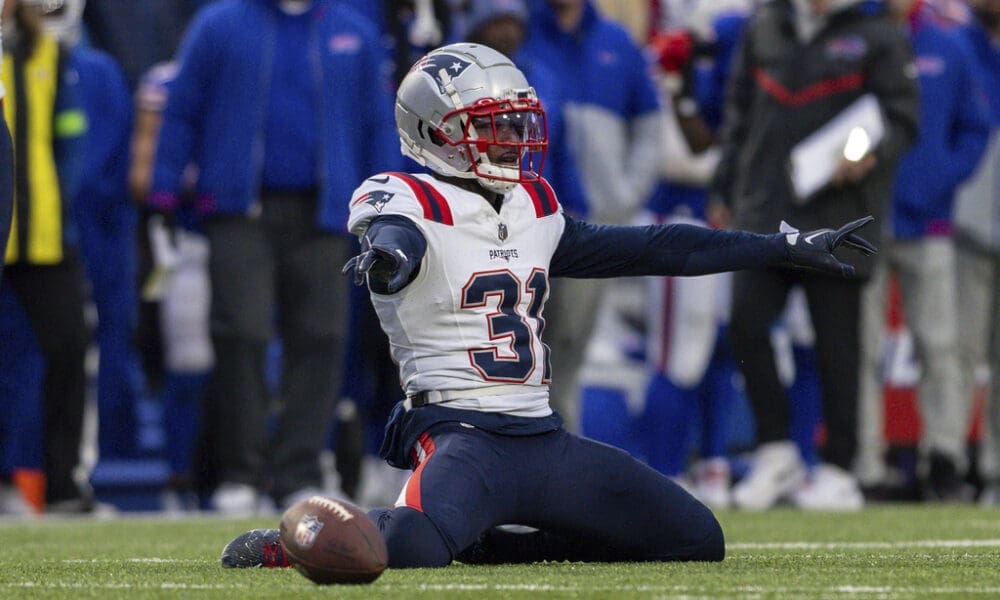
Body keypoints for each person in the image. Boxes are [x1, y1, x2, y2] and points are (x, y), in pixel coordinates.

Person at [221, 43, 876, 569]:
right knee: (413, 549)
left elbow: (652, 246)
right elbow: (397, 238)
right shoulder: (402, 196)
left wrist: (778, 246)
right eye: (489, 126)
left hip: (542, 436)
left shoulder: (533, 204)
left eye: (513, 123)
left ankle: (495, 548)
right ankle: (294, 542)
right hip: (462, 437)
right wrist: (390, 257)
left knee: (694, 538)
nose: (509, 138)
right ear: (433, 133)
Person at [149, 0, 399, 514]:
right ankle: (241, 472)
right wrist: (163, 194)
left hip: (329, 211)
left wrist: (389, 207)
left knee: (323, 338)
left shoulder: (353, 30)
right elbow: (182, 110)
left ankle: (298, 472)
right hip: (239, 207)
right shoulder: (219, 24)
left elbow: (377, 123)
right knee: (240, 333)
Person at [709, 0, 919, 511]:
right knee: (746, 323)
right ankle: (776, 451)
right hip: (765, 208)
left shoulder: (877, 34)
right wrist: (724, 188)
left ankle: (838, 468)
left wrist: (872, 149)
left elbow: (903, 116)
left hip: (839, 212)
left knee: (837, 346)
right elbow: (739, 112)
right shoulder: (766, 27)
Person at [856, 0, 991, 502]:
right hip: (863, 218)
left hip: (928, 221)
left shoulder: (947, 44)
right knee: (863, 349)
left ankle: (945, 460)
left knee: (940, 346)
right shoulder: (856, 40)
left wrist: (941, 180)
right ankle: (866, 465)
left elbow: (976, 124)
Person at [519, 0, 666, 430]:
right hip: (522, 222)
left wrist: (623, 197)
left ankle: (560, 462)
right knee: (520, 350)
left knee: (568, 349)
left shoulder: (616, 42)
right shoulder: (518, 32)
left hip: (591, 224)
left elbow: (650, 125)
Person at [0, 0, 91, 513]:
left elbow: (72, 139)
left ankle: (62, 484)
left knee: (69, 347)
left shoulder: (49, 51)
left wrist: (60, 202)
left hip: (42, 232)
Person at [951, 0, 1000, 505]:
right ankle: (949, 464)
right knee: (958, 351)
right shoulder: (957, 42)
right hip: (967, 225)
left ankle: (994, 470)